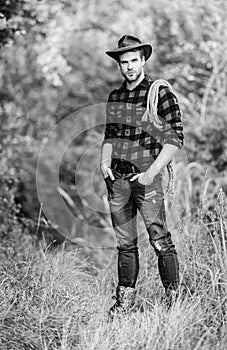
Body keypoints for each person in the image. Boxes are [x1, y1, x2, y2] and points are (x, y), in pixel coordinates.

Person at [100, 35, 184, 317]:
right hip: (118, 182)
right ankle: (124, 304)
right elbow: (109, 135)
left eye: (134, 60)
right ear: (119, 65)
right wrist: (104, 163)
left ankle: (175, 302)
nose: (129, 67)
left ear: (143, 60)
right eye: (124, 62)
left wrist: (150, 175)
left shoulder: (159, 93)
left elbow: (175, 139)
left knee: (159, 239)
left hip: (146, 180)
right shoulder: (116, 96)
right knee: (125, 245)